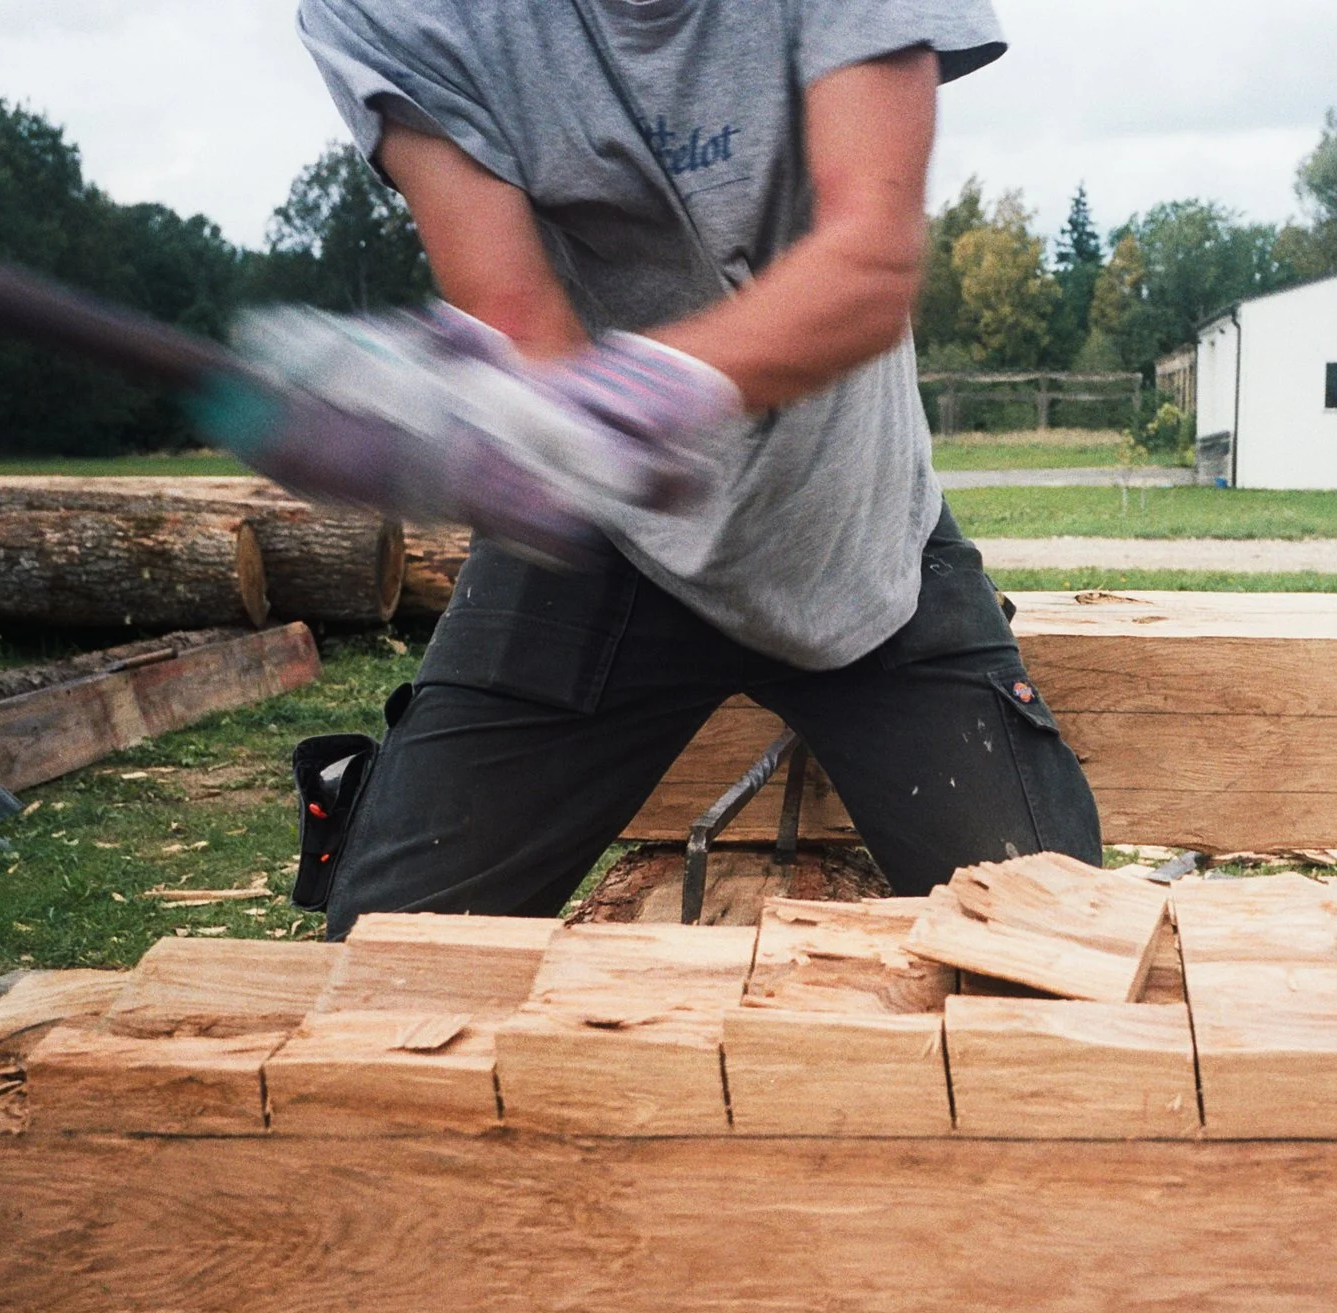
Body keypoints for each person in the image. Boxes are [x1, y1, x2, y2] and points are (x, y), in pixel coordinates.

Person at [292, 0, 1101, 934]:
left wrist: (638, 396)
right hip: (604, 535)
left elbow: (872, 262)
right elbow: (519, 315)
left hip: (852, 518)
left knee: (1055, 951)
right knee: (392, 954)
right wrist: (478, 407)